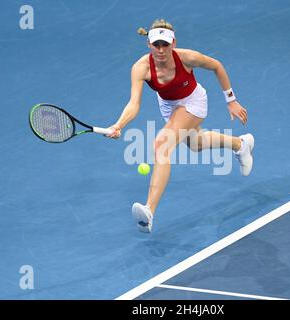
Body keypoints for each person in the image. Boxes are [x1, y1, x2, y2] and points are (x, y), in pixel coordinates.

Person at [106, 19, 254, 233]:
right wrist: (119, 124)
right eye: (156, 44)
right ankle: (241, 144)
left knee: (162, 145)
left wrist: (231, 100)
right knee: (196, 144)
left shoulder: (187, 58)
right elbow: (134, 103)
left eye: (165, 44)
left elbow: (216, 66)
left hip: (194, 101)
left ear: (173, 43)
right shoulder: (141, 68)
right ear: (148, 45)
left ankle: (149, 211)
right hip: (168, 106)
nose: (160, 49)